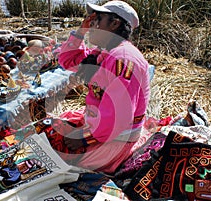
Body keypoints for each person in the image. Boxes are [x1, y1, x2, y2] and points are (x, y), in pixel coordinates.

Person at [54, 0, 150, 174]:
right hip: (99, 128)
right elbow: (67, 60)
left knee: (56, 159)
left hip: (114, 140)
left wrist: (84, 139)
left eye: (98, 19)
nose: (92, 24)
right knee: (47, 131)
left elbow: (119, 115)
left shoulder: (124, 59)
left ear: (114, 24)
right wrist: (80, 32)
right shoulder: (104, 53)